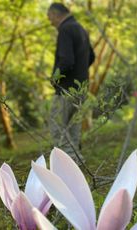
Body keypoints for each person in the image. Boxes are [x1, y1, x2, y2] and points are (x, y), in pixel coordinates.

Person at [47, 3, 95, 164]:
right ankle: (76, 161)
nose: (50, 23)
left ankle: (67, 165)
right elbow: (92, 57)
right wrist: (79, 74)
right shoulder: (80, 28)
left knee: (58, 126)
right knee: (73, 128)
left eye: (50, 18)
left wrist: (55, 77)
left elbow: (66, 60)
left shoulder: (65, 29)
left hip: (66, 89)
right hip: (81, 87)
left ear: (55, 14)